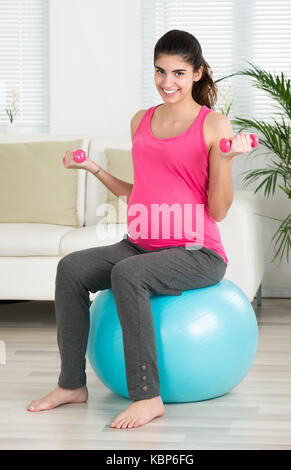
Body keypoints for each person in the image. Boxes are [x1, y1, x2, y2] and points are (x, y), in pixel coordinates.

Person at [27, 29, 252, 429]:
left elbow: (217, 210)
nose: (169, 82)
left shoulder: (214, 124)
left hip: (197, 251)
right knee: (71, 269)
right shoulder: (141, 121)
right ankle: (71, 385)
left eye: (179, 73)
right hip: (140, 243)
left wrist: (228, 160)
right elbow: (141, 191)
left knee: (127, 274)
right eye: (160, 71)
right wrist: (92, 168)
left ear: (197, 74)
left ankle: (147, 397)